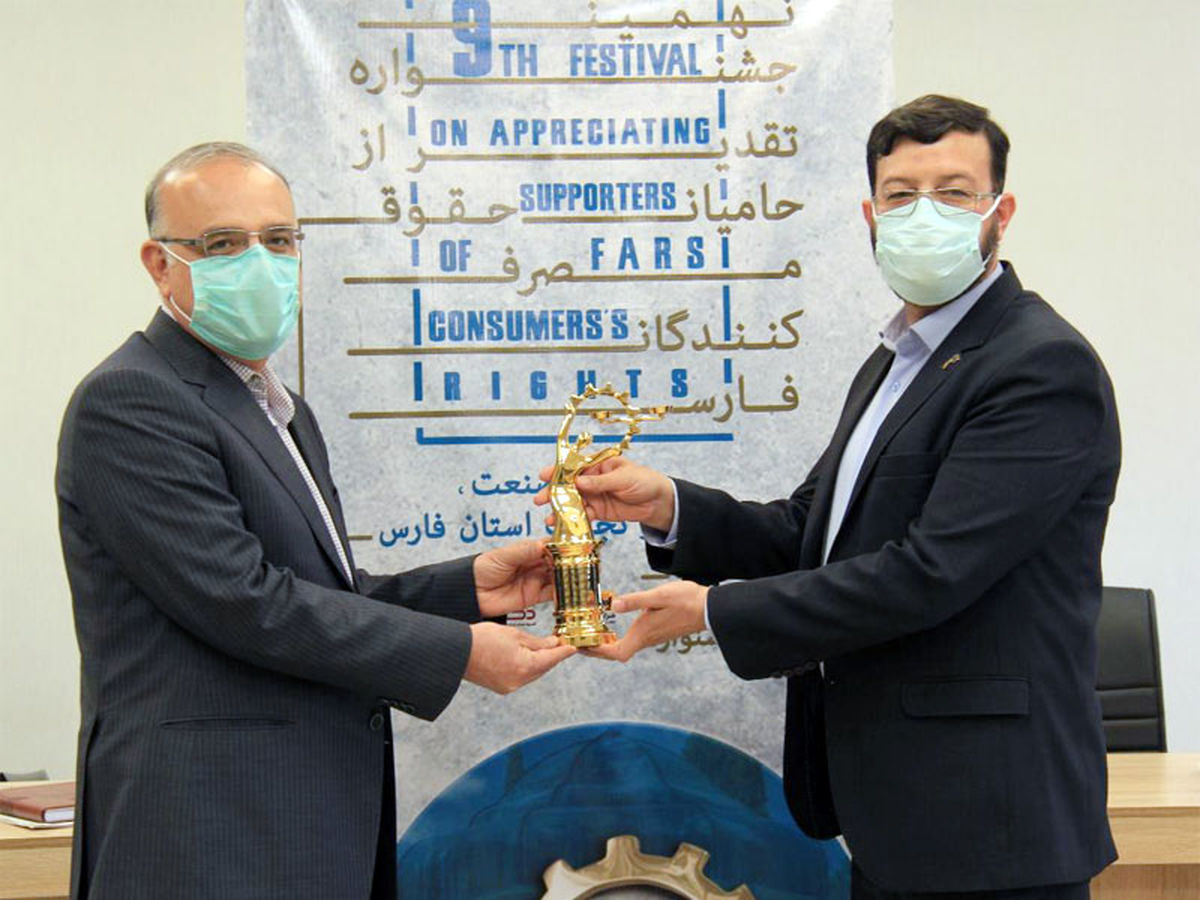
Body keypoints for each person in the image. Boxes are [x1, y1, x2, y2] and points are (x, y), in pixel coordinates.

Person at [538, 96, 1121, 897]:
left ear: (1001, 212)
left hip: (989, 821)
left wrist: (713, 611)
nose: (924, 214)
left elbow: (931, 572)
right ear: (870, 215)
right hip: (897, 813)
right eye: (901, 194)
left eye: (954, 193)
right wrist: (667, 505)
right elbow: (811, 530)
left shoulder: (1039, 365)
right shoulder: (899, 360)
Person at [56, 142, 575, 900]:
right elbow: (245, 602)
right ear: (161, 264)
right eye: (223, 244)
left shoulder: (278, 409)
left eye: (279, 239)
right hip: (208, 834)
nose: (261, 263)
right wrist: (459, 651)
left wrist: (468, 590)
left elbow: (317, 592)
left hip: (298, 824)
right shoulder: (131, 400)